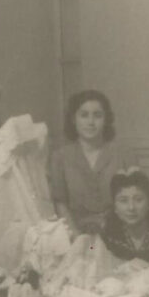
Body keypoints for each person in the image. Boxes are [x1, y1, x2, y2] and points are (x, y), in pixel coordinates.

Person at [48, 90, 133, 237]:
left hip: (120, 232)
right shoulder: (60, 157)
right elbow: (60, 203)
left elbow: (138, 196)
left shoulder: (124, 154)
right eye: (84, 115)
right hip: (77, 232)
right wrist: (76, 236)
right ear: (73, 119)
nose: (91, 122)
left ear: (106, 119)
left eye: (97, 115)